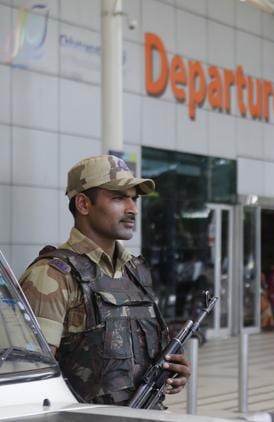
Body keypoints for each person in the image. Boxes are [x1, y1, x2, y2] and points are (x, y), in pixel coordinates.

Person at [19, 155, 190, 406]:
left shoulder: (136, 272)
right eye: (119, 198)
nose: (132, 209)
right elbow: (31, 379)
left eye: (134, 198)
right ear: (83, 204)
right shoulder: (52, 275)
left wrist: (174, 369)